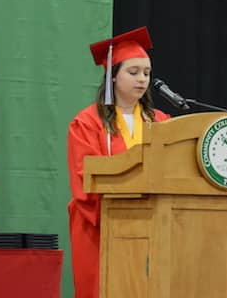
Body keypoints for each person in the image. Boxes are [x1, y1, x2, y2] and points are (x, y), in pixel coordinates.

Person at [66, 26, 170, 298]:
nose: (142, 80)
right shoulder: (87, 123)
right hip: (100, 227)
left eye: (146, 73)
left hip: (152, 225)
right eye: (133, 72)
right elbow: (84, 178)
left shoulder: (160, 122)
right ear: (113, 76)